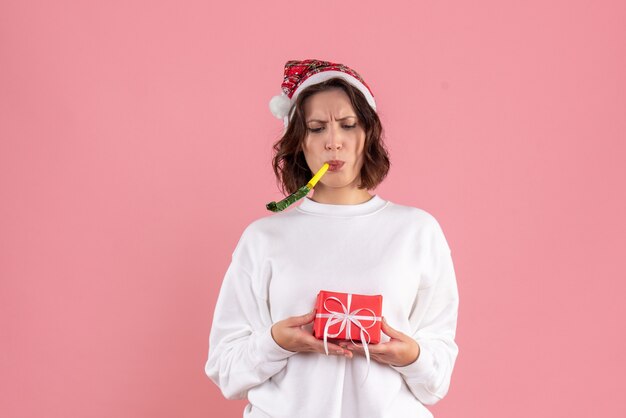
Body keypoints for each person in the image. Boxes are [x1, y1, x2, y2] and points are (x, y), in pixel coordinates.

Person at [205, 59, 459, 418]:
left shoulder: (418, 231)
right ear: (299, 141)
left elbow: (437, 380)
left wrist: (410, 356)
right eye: (317, 128)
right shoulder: (263, 238)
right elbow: (226, 371)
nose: (334, 142)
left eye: (348, 125)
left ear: (368, 133)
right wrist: (277, 342)